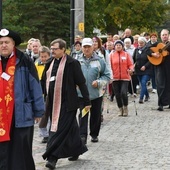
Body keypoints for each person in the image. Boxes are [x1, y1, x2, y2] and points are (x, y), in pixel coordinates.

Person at [41, 38, 91, 169]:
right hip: (53, 103)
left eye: (55, 49)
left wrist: (87, 101)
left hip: (68, 103)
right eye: (51, 49)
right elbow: (43, 81)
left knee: (57, 129)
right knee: (72, 128)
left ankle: (52, 157)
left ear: (63, 49)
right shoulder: (50, 62)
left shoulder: (72, 63)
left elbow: (81, 82)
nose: (52, 51)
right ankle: (77, 149)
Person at [0, 28, 45, 170]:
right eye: (1, 43)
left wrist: (38, 111)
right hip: (1, 115)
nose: (3, 45)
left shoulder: (24, 60)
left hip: (19, 113)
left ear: (13, 44)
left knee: (20, 150)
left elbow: (35, 86)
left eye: (7, 42)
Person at [77, 38, 110, 144]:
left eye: (88, 47)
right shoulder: (77, 60)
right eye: (84, 47)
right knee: (83, 114)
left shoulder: (99, 59)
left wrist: (99, 82)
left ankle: (94, 134)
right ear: (82, 48)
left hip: (96, 93)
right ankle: (82, 136)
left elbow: (107, 75)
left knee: (95, 115)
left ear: (93, 47)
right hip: (82, 94)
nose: (86, 49)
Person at [110, 40, 134, 116]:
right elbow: (109, 66)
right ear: (115, 46)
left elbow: (131, 64)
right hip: (115, 77)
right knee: (117, 94)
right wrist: (110, 74)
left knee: (123, 93)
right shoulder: (111, 55)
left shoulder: (126, 54)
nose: (118, 46)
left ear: (122, 46)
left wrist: (131, 69)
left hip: (125, 77)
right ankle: (120, 109)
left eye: (120, 45)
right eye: (117, 45)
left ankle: (125, 107)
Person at [148, 29, 170, 111]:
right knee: (160, 85)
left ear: (168, 36)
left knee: (169, 84)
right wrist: (153, 53)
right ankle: (160, 104)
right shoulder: (157, 44)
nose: (164, 36)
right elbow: (147, 50)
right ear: (160, 36)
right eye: (163, 35)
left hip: (168, 67)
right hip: (159, 67)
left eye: (166, 35)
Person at [35, 46, 51, 143]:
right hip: (40, 92)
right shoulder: (37, 65)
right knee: (42, 114)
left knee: (49, 114)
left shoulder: (51, 64)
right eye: (42, 56)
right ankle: (44, 134)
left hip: (49, 92)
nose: (44, 58)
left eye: (45, 56)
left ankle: (50, 133)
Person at [133, 36, 153, 104]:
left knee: (143, 83)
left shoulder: (147, 50)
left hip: (146, 70)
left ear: (144, 43)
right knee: (142, 83)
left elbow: (151, 60)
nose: (140, 44)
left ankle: (141, 98)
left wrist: (145, 66)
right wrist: (132, 65)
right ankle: (147, 95)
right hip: (138, 70)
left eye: (142, 43)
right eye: (139, 43)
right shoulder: (136, 50)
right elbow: (133, 59)